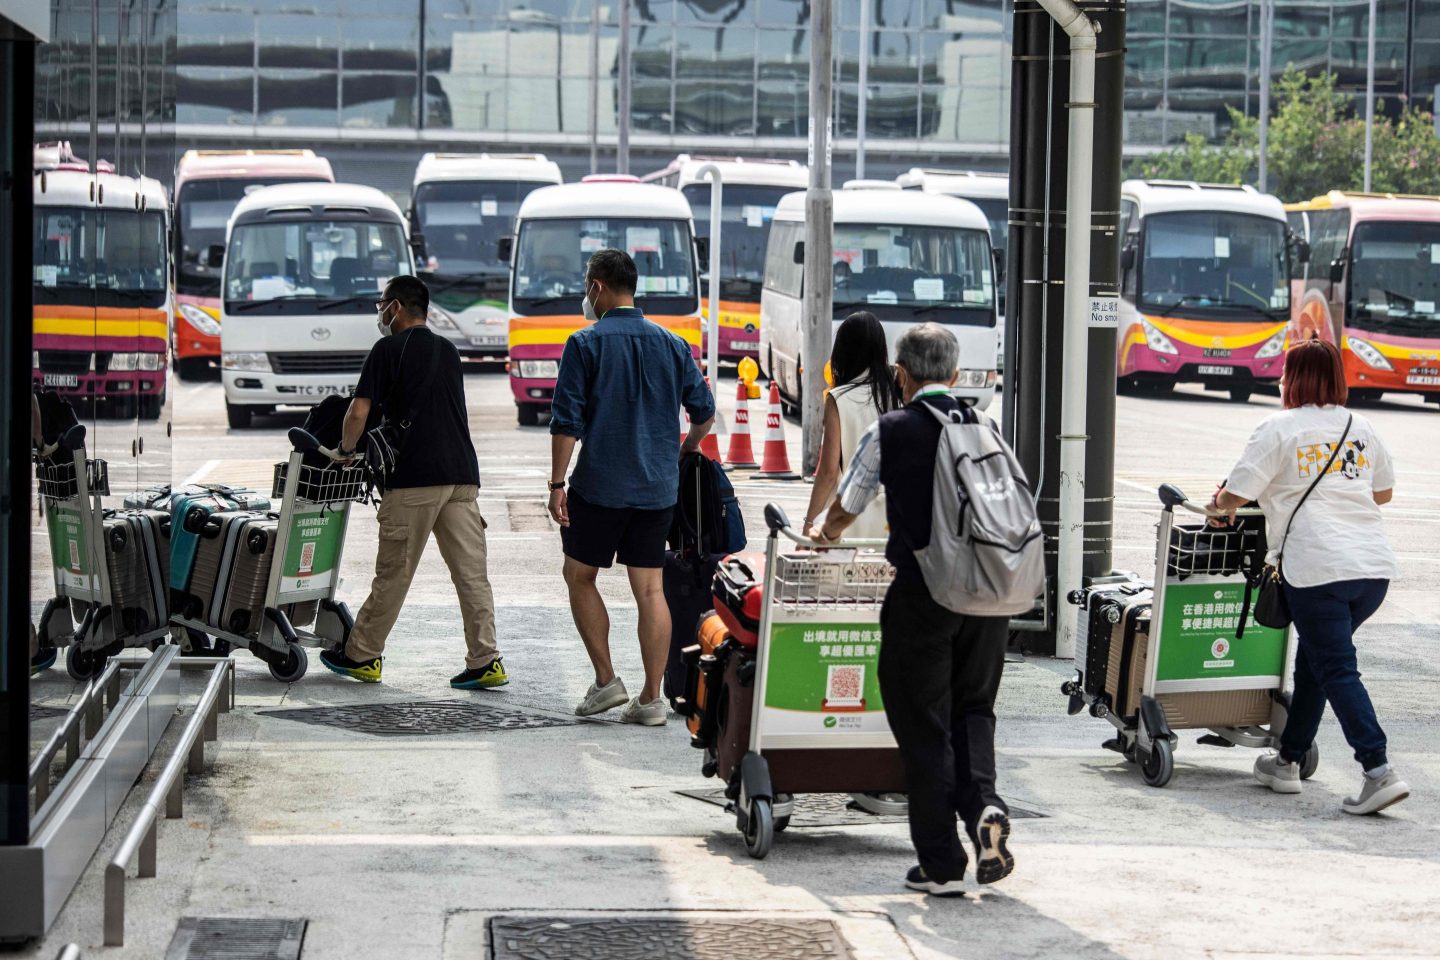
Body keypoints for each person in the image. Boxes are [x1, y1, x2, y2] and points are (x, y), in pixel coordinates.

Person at [814, 322, 1014, 896]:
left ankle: (940, 862)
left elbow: (848, 500)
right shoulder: (986, 428)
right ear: (953, 376)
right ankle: (985, 808)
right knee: (973, 709)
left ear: (902, 375)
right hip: (990, 595)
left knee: (921, 719)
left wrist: (822, 533)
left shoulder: (893, 429)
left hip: (924, 595)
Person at [1211, 338, 1408, 815]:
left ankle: (1378, 770)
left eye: (1284, 372)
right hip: (1372, 572)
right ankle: (1288, 760)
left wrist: (1222, 504)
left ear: (1292, 379)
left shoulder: (1279, 427)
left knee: (1337, 669)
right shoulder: (1360, 425)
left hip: (1318, 568)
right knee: (1319, 662)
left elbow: (1234, 495)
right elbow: (1382, 493)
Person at [547, 248, 715, 726]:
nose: (585, 295)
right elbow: (703, 413)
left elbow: (566, 423)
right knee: (649, 589)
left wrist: (558, 483)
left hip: (599, 487)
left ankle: (606, 682)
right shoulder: (671, 343)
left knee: (579, 576)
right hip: (657, 490)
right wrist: (686, 449)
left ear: (597, 287)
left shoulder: (584, 343)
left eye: (586, 286)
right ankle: (651, 699)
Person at [319, 274, 507, 690]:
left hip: (414, 480)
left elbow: (357, 412)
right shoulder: (449, 350)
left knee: (395, 572)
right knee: (471, 575)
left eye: (381, 305)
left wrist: (347, 453)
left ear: (396, 307)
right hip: (461, 478)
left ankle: (362, 655)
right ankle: (486, 660)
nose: (380, 313)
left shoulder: (387, 349)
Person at [803, 311, 898, 541]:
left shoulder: (838, 398)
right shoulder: (898, 391)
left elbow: (828, 472)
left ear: (843, 352)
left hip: (850, 518)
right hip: (897, 515)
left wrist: (809, 522)